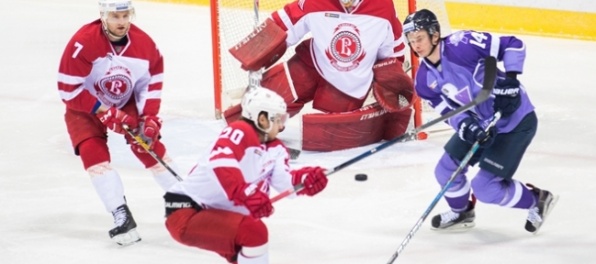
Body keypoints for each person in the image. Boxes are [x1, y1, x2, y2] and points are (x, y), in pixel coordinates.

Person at [402, 9, 557, 233]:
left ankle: (538, 199)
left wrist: (511, 80)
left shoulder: (462, 44)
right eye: (411, 40)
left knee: (485, 188)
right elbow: (448, 111)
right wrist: (465, 125)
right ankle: (462, 212)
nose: (415, 45)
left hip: (515, 120)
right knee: (445, 170)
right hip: (482, 123)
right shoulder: (424, 80)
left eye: (420, 38)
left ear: (435, 35)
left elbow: (512, 44)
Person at [57, 0, 179, 245]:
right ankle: (121, 215)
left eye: (126, 16)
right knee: (93, 154)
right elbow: (68, 90)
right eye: (115, 16)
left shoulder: (145, 46)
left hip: (125, 101)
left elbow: (150, 84)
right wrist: (103, 110)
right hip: (85, 106)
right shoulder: (84, 42)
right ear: (103, 15)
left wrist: (149, 118)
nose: (122, 22)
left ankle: (184, 199)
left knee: (148, 145)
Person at [164, 87, 329, 264]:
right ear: (262, 119)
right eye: (278, 119)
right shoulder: (239, 131)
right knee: (253, 233)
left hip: (217, 211)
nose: (282, 126)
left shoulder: (276, 149)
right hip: (186, 209)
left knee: (245, 250)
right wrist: (246, 193)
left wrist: (305, 180)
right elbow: (220, 162)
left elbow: (285, 183)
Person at [224, 0, 415, 151]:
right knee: (271, 97)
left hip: (347, 86)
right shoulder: (315, 1)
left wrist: (389, 75)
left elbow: (393, 51)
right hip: (311, 65)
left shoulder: (383, 7)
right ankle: (247, 130)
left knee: (325, 134)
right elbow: (285, 23)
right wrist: (258, 50)